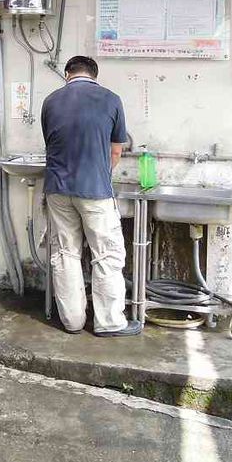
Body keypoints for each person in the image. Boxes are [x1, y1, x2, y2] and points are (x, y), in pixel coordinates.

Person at [41, 55, 141, 337]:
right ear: (94, 75)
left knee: (64, 253)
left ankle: (72, 321)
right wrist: (98, 172)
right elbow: (117, 151)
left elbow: (52, 143)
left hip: (57, 190)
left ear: (67, 73)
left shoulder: (50, 101)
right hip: (95, 191)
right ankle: (109, 322)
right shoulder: (111, 99)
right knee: (106, 254)